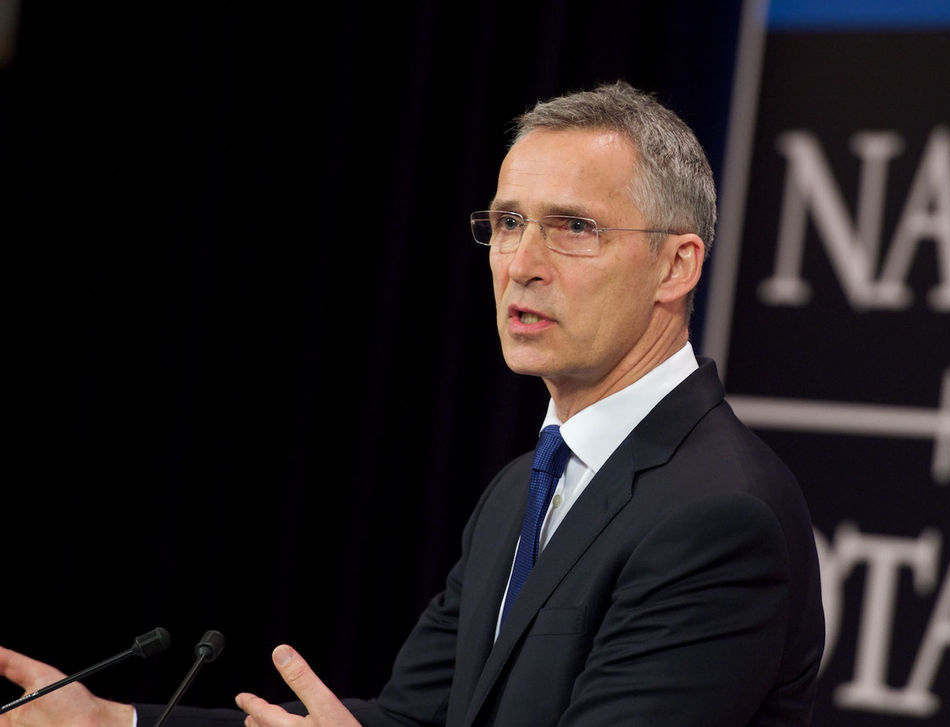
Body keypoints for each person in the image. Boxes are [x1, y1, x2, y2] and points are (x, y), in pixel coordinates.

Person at [0, 81, 824, 727]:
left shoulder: (721, 515)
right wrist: (123, 715)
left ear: (677, 266)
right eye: (507, 222)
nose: (521, 263)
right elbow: (412, 719)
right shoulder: (521, 490)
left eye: (572, 226)